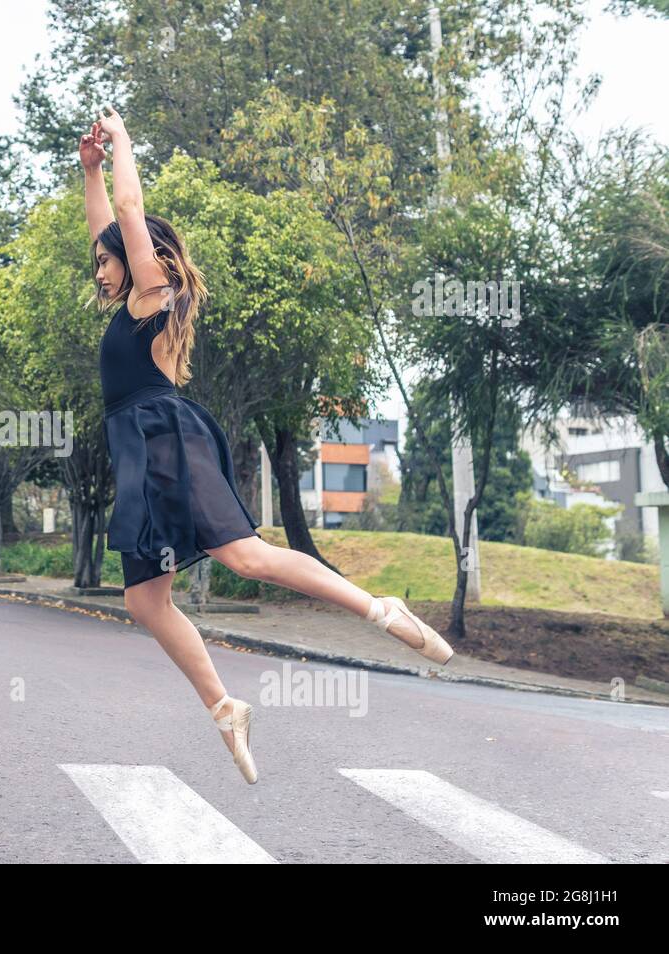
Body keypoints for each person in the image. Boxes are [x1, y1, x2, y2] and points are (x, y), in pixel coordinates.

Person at [80, 105, 454, 785]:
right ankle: (225, 708)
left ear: (140, 261)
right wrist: (91, 171)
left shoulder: (151, 297)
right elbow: (107, 217)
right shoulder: (127, 304)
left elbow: (129, 212)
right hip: (140, 455)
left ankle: (378, 609)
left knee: (245, 557)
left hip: (168, 440)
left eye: (106, 262)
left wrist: (125, 143)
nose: (99, 272)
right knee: (144, 600)